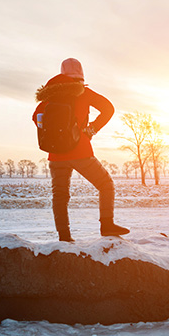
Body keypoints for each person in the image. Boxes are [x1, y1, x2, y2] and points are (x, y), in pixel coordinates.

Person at [32, 58, 129, 242]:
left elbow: (35, 116)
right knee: (105, 184)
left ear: (61, 73)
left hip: (55, 155)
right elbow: (108, 108)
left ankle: (65, 236)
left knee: (60, 195)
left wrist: (52, 133)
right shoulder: (84, 92)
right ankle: (107, 225)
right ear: (81, 74)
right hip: (80, 151)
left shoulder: (50, 95)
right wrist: (91, 129)